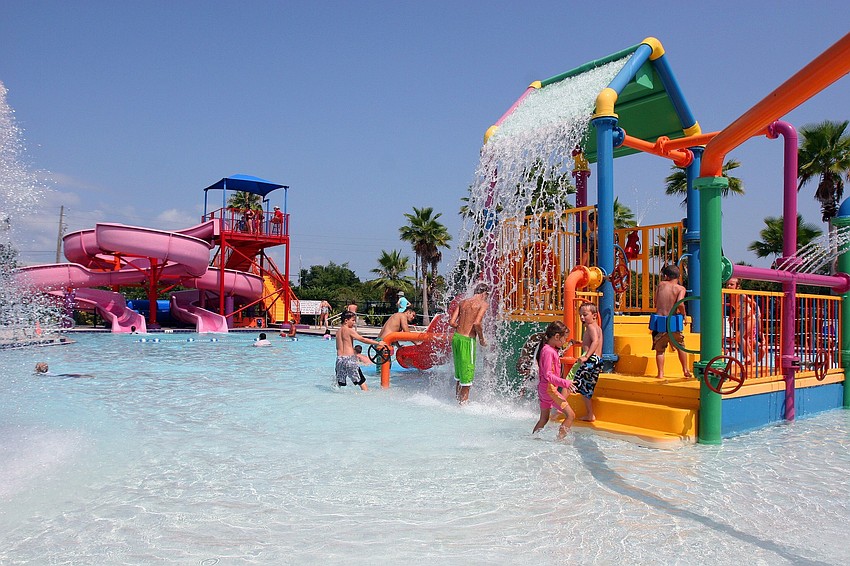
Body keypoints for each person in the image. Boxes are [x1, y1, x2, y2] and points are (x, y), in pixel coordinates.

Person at [532, 321, 576, 439]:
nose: (564, 342)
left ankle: (533, 439)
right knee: (570, 415)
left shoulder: (549, 349)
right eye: (564, 339)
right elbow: (548, 375)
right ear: (557, 336)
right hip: (549, 390)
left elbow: (558, 354)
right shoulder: (548, 351)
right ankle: (559, 441)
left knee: (544, 419)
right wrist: (565, 383)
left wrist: (571, 344)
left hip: (544, 389)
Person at [448, 282, 490, 404]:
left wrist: (462, 327)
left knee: (459, 375)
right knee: (467, 375)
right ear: (484, 293)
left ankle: (457, 401)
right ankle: (463, 405)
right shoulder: (483, 304)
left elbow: (451, 322)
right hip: (467, 341)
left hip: (456, 338)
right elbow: (477, 323)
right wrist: (481, 339)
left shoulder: (463, 302)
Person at [651, 264, 692, 379]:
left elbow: (655, 300)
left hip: (660, 323)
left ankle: (660, 373)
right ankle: (685, 370)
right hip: (673, 322)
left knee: (660, 350)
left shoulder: (661, 285)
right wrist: (683, 314)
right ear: (678, 277)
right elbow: (680, 303)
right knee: (681, 347)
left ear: (666, 276)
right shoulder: (680, 289)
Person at [335, 311, 382, 390]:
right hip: (349, 359)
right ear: (346, 321)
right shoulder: (349, 330)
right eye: (353, 320)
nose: (354, 323)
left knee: (340, 384)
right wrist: (378, 343)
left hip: (339, 360)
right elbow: (362, 339)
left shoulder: (337, 332)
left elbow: (337, 348)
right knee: (361, 382)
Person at [573, 302, 604, 422]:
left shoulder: (591, 327)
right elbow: (591, 342)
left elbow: (595, 342)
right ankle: (589, 414)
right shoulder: (596, 327)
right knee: (585, 387)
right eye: (580, 315)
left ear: (594, 315)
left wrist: (586, 356)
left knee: (578, 384)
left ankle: (590, 414)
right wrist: (579, 343)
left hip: (591, 360)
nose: (582, 317)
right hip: (596, 360)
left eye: (585, 315)